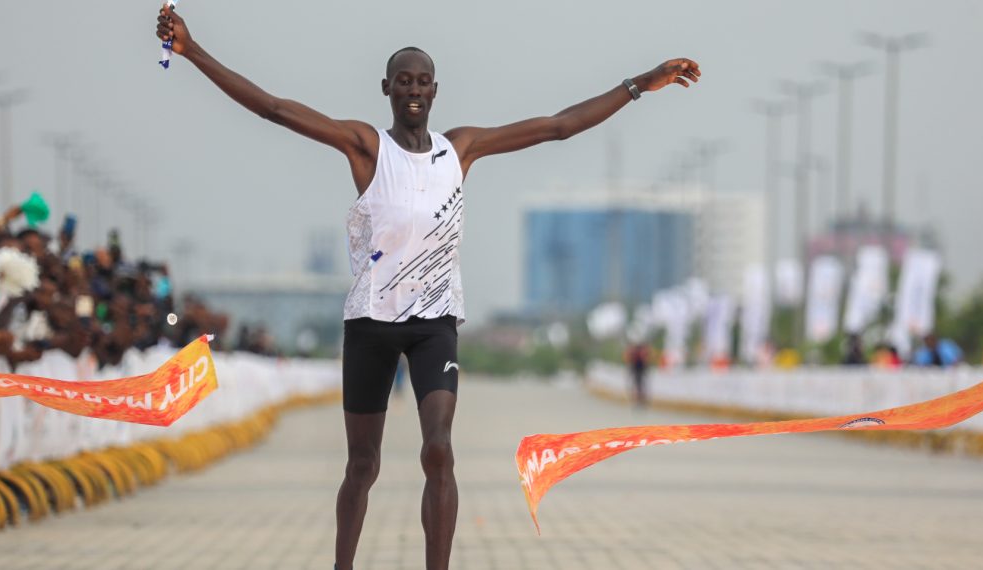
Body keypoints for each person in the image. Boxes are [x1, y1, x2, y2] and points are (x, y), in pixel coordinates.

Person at [155, 7, 700, 569]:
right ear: (386, 89)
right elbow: (274, 109)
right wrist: (192, 50)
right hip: (370, 322)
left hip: (435, 323)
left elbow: (558, 126)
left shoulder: (459, 149)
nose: (413, 90)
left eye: (422, 81)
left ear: (435, 90)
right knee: (362, 465)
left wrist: (640, 84)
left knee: (439, 451)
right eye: (403, 81)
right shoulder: (366, 147)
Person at [624, 341, 652, 408]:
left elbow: (628, 358)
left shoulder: (635, 350)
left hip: (638, 369)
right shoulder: (641, 349)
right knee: (639, 386)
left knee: (638, 386)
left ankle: (639, 401)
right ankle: (638, 400)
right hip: (639, 369)